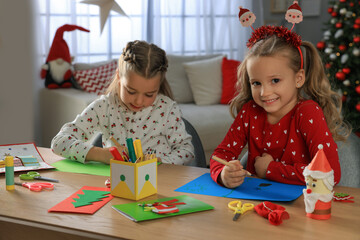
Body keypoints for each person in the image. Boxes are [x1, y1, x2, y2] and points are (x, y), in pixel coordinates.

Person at [210, 26, 351, 188]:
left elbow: (329, 173)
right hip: (253, 202)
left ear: (298, 78)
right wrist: (223, 174)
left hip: (301, 205)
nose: (264, 92)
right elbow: (219, 155)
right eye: (256, 83)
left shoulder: (308, 112)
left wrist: (270, 169)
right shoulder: (250, 111)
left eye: (275, 80)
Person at [51, 40, 194, 165]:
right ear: (119, 76)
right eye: (131, 91)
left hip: (160, 185)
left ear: (159, 86)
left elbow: (187, 150)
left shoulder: (167, 109)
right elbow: (58, 142)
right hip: (117, 186)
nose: (139, 101)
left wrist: (161, 162)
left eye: (149, 94)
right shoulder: (104, 106)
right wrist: (101, 154)